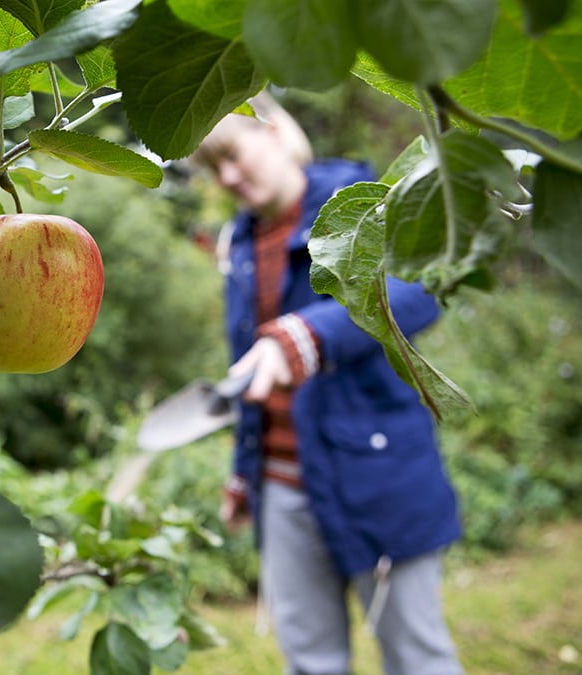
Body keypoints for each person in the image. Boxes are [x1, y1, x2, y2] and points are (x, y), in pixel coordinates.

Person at [192, 95, 464, 675]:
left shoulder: (360, 202)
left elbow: (419, 289)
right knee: (311, 661)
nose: (229, 177)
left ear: (273, 131)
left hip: (376, 474)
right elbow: (250, 368)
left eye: (233, 155)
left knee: (416, 657)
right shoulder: (239, 244)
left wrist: (309, 335)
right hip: (283, 488)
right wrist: (244, 472)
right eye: (215, 168)